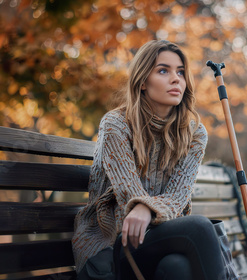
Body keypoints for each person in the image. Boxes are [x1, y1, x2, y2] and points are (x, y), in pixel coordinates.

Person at [72, 40, 226, 280]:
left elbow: (178, 197)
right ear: (143, 81)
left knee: (179, 269)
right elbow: (127, 195)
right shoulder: (116, 124)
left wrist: (147, 209)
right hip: (112, 244)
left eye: (181, 72)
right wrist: (141, 206)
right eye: (163, 70)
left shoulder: (194, 133)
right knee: (200, 227)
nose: (176, 79)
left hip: (156, 243)